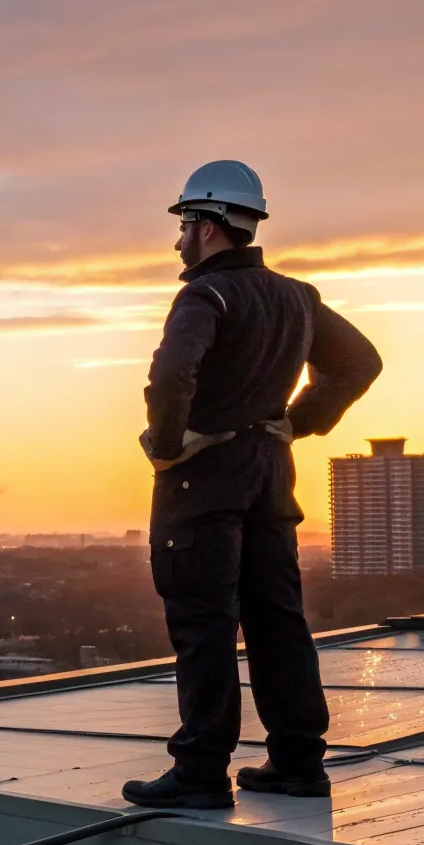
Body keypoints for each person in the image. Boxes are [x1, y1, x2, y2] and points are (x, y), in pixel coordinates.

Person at [121, 160, 383, 809]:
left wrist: (169, 446)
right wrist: (296, 423)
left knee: (205, 622)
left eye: (184, 224)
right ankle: (296, 761)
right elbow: (360, 363)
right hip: (269, 479)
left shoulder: (205, 296)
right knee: (277, 621)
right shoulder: (297, 297)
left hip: (203, 485)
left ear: (208, 227)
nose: (178, 239)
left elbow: (173, 373)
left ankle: (202, 771)